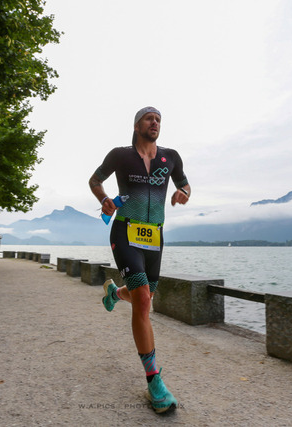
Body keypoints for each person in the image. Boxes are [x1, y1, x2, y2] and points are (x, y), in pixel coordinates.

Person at [88, 106, 191, 414]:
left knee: (144, 296)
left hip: (154, 237)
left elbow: (185, 184)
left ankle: (114, 293)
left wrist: (183, 193)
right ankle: (154, 381)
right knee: (144, 301)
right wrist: (104, 199)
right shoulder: (120, 155)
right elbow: (95, 180)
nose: (155, 122)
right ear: (137, 126)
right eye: (149, 118)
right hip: (125, 231)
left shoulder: (171, 157)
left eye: (158, 119)